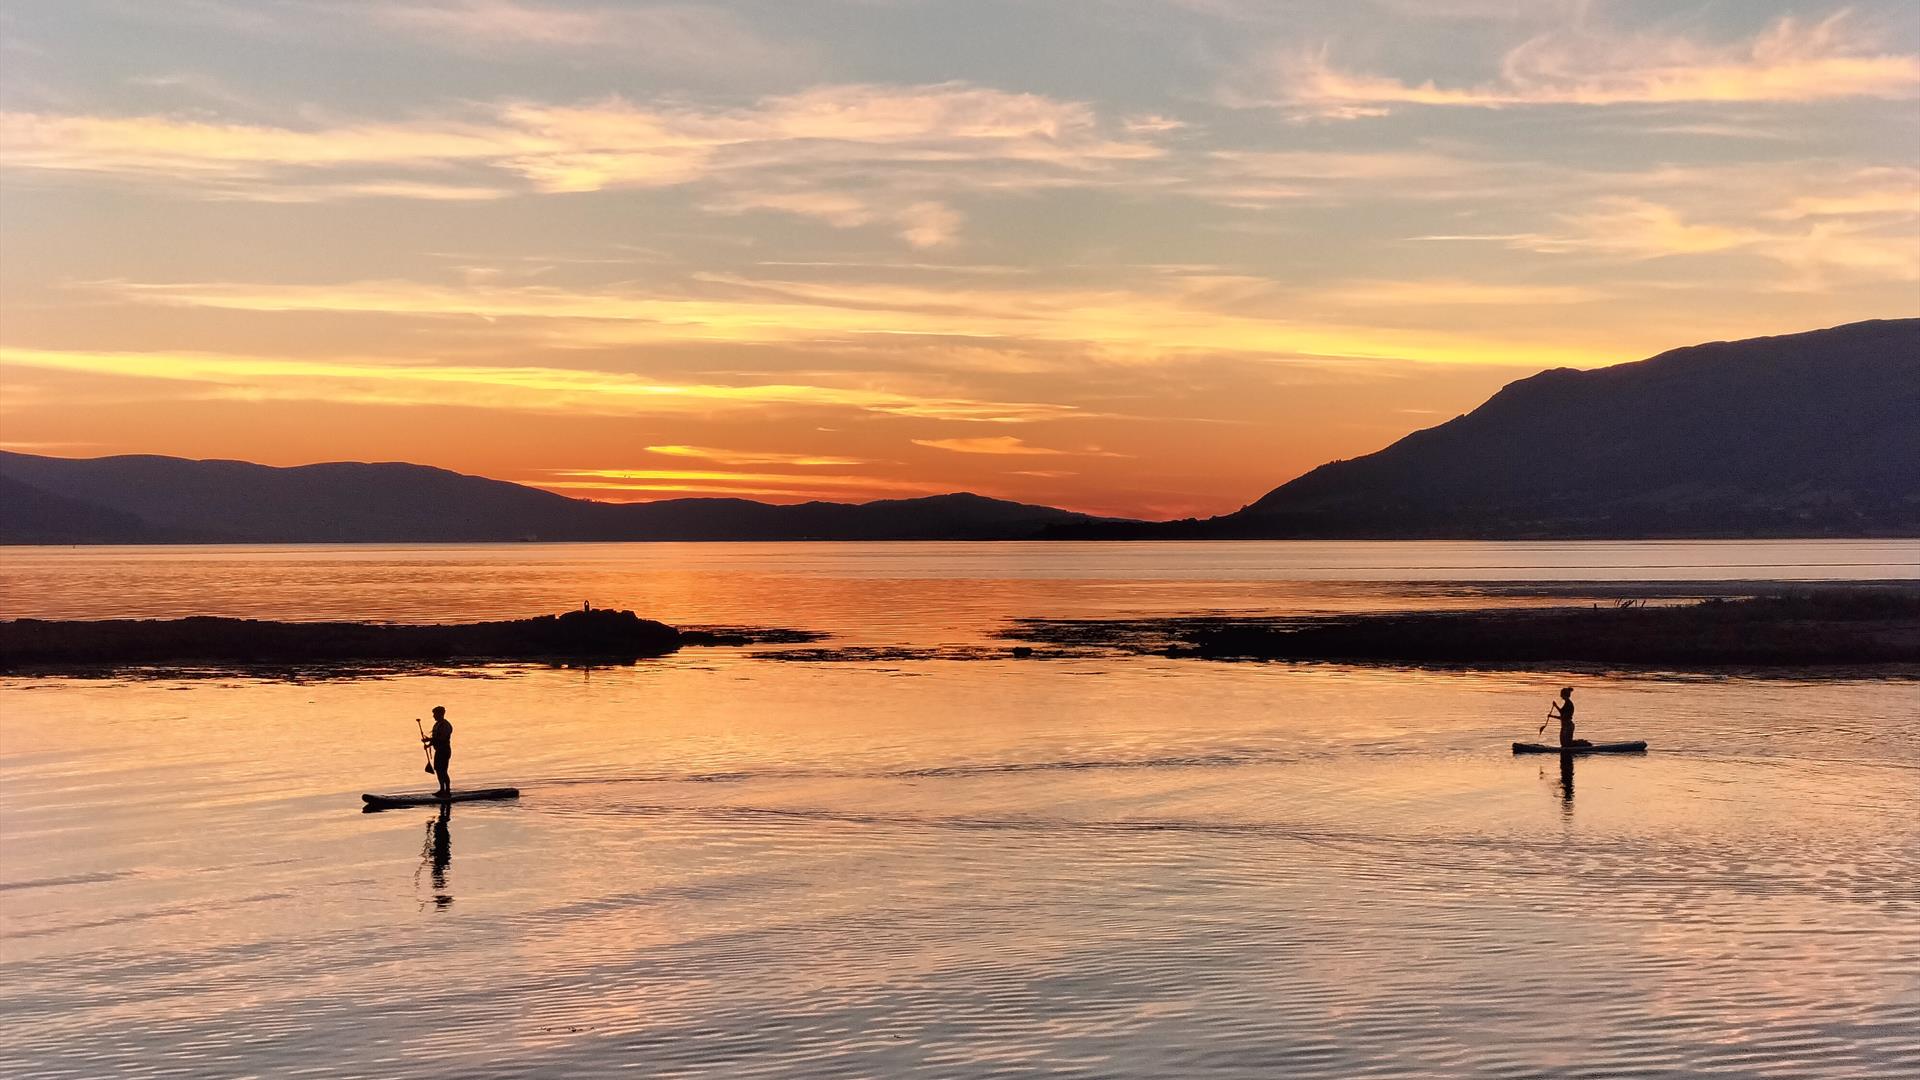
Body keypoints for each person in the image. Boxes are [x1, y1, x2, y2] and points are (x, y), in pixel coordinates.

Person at [422, 705, 453, 798]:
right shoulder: (437, 724)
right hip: (439, 751)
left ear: (440, 714)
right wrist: (428, 744)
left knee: (443, 771)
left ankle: (447, 791)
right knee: (438, 770)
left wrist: (429, 741)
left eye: (435, 714)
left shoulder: (445, 725)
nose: (433, 716)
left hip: (444, 751)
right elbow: (435, 738)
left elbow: (441, 739)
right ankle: (442, 790)